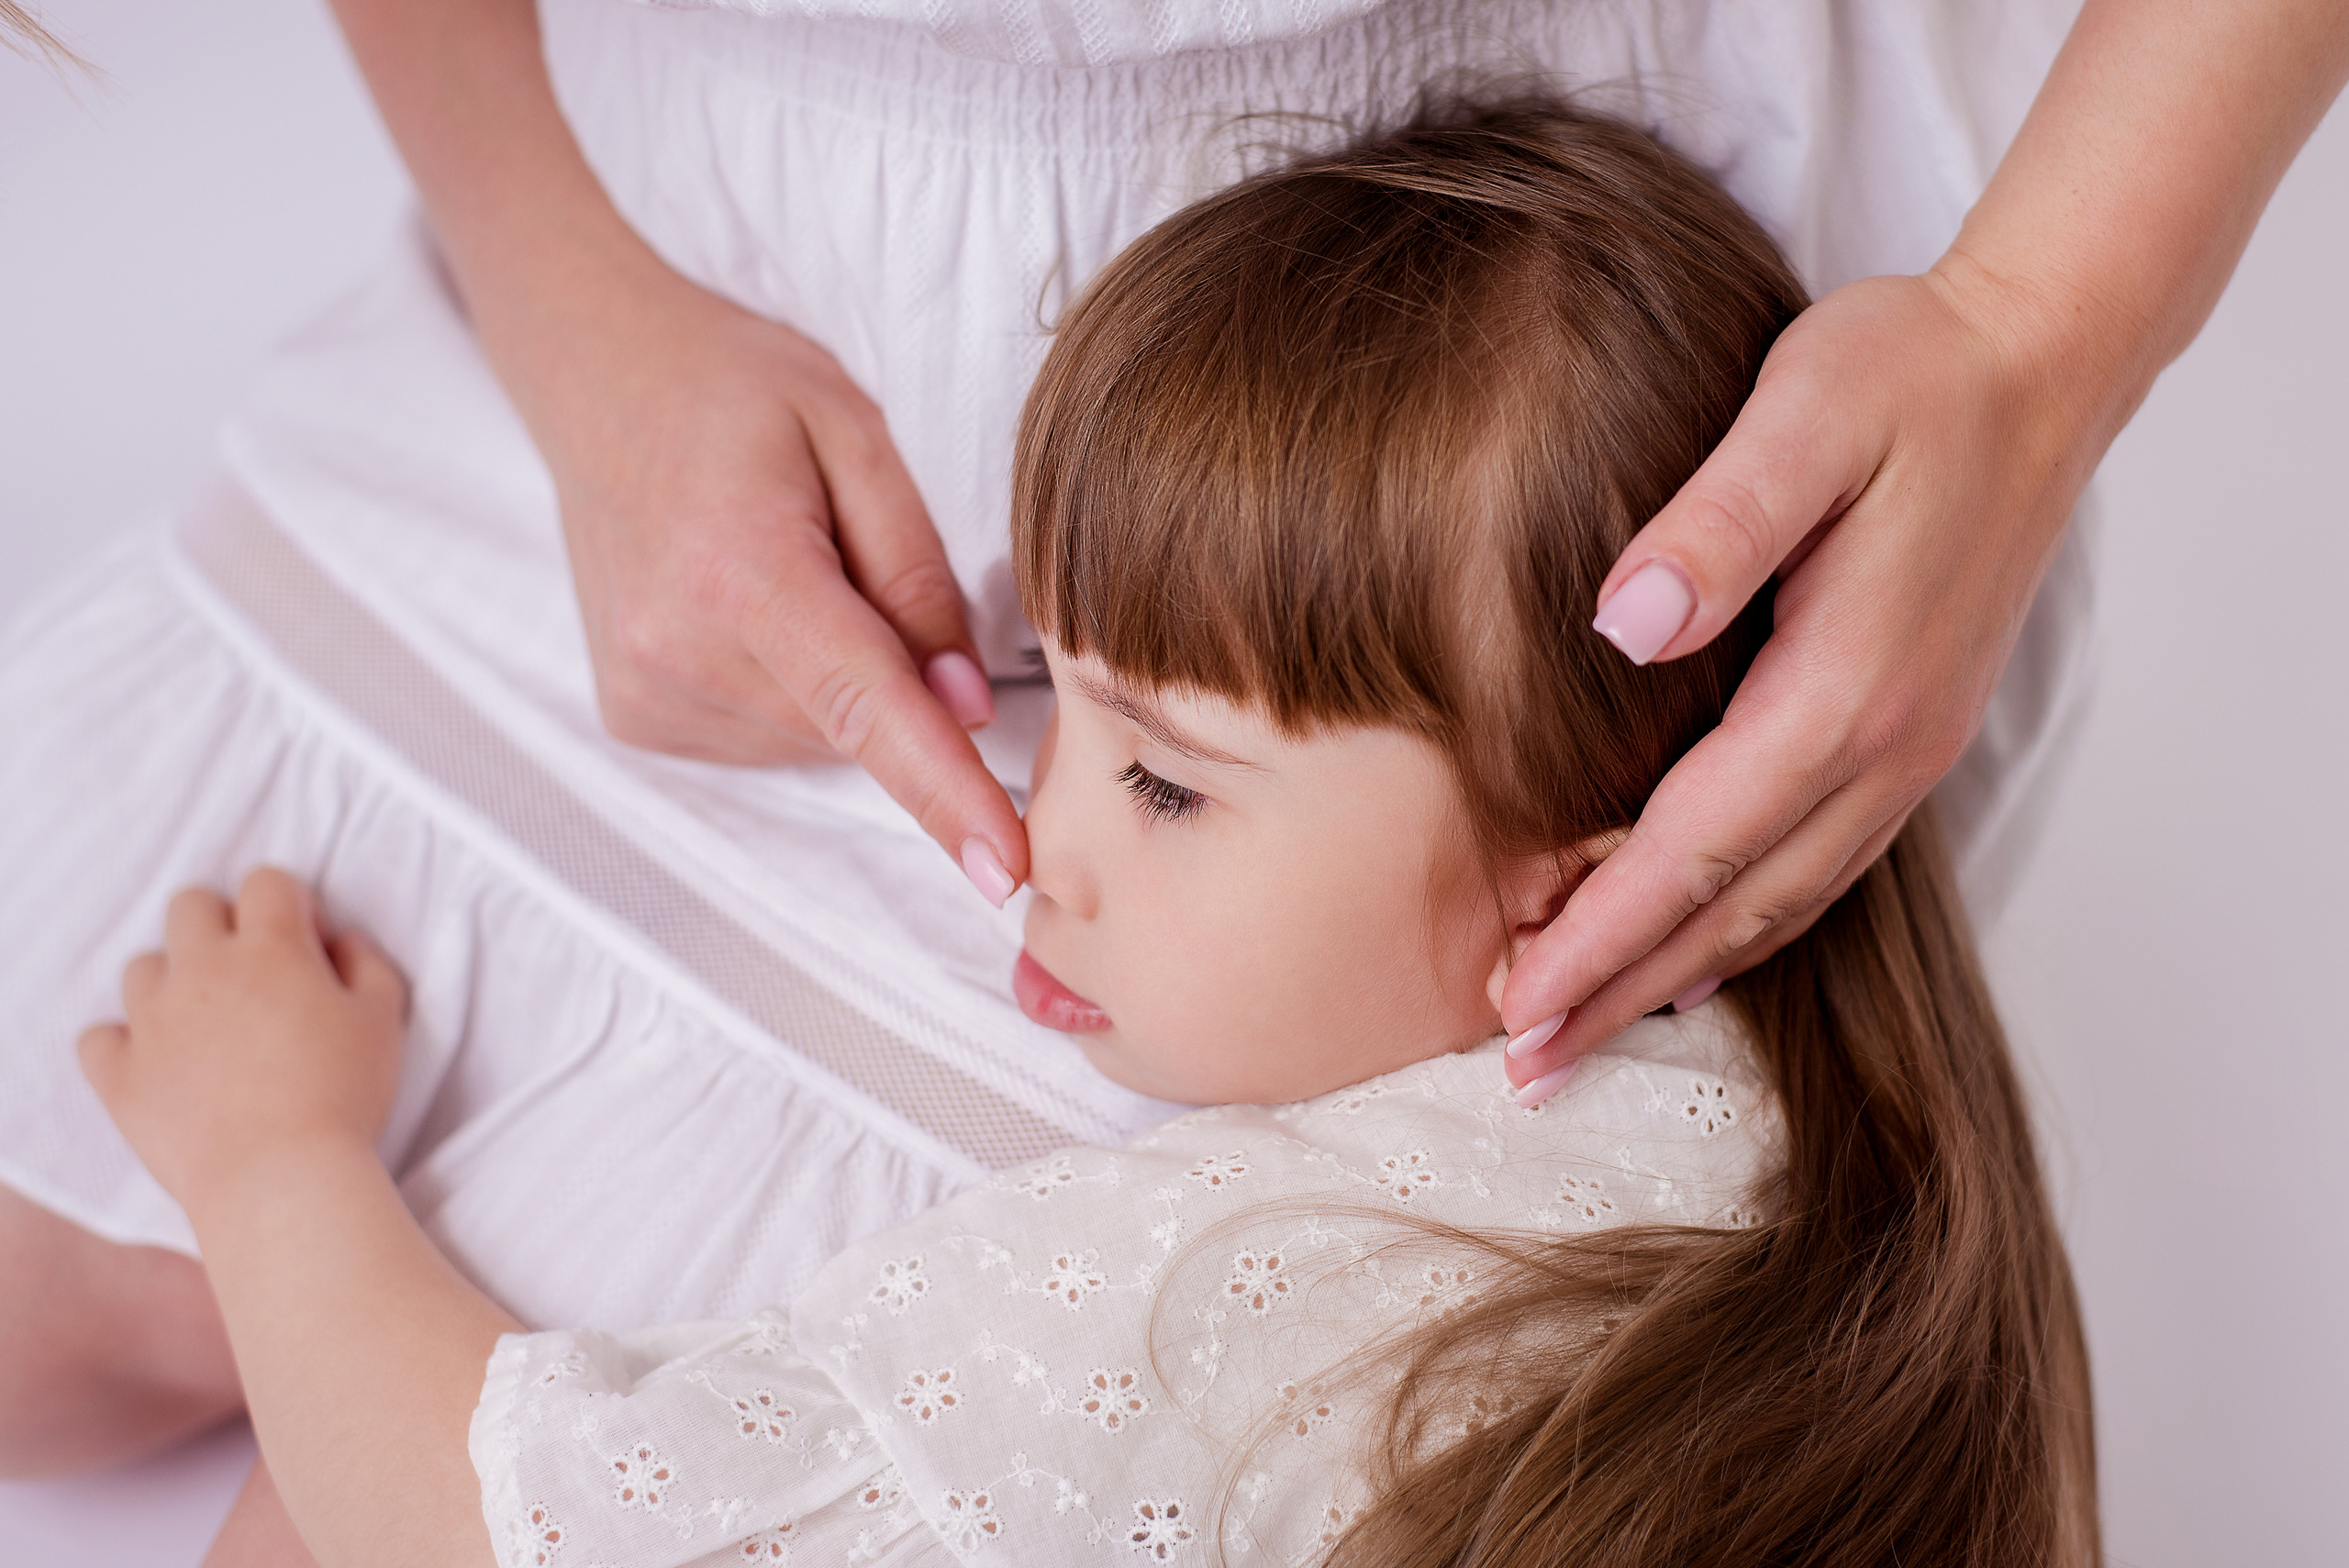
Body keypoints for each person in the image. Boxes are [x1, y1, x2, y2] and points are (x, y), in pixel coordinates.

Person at [0, 0, 2340, 1553]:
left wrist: (275, 1163)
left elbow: (505, 1522)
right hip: (690, 319)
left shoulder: (1264, 1286)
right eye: (1070, 711)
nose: (1030, 846)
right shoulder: (1449, 963)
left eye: (1163, 787)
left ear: (1572, 904)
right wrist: (562, 291)